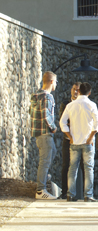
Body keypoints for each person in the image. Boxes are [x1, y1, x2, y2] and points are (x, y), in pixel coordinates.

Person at [60, 82, 98, 202]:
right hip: (87, 141)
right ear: (89, 92)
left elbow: (62, 123)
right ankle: (88, 195)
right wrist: (91, 137)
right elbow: (97, 123)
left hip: (74, 141)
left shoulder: (71, 105)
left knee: (72, 168)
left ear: (79, 91)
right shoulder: (92, 105)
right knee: (88, 168)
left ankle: (70, 194)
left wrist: (70, 136)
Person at [30, 71, 59, 200]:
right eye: (56, 82)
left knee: (53, 152)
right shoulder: (48, 97)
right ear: (52, 81)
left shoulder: (35, 95)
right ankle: (41, 190)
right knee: (45, 161)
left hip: (38, 133)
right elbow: (45, 113)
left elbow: (31, 112)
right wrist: (53, 127)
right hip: (46, 133)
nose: (56, 85)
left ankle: (44, 177)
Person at [59, 81, 83, 199]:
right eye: (74, 89)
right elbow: (63, 120)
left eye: (78, 90)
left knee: (83, 166)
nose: (75, 91)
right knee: (66, 165)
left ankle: (86, 194)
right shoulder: (65, 104)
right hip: (68, 139)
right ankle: (65, 192)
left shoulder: (83, 104)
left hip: (81, 140)